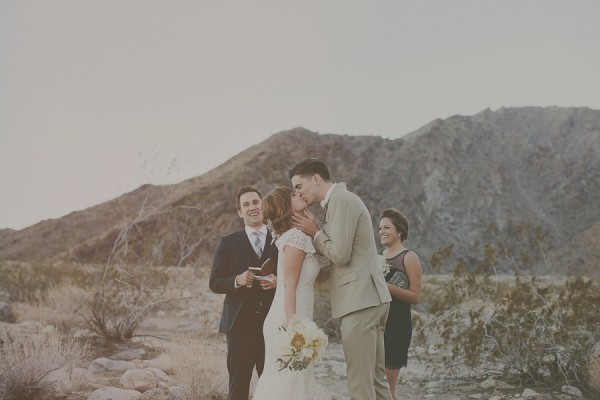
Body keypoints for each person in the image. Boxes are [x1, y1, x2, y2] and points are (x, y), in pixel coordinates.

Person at [290, 158, 392, 400]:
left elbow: (340, 254)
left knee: (360, 383)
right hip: (369, 298)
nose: (298, 193)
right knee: (376, 382)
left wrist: (315, 231)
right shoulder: (341, 201)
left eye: (299, 186)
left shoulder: (341, 200)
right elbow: (343, 257)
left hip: (359, 301)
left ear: (316, 179)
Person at [252, 186, 330, 400]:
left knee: (290, 384)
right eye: (294, 195)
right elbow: (290, 287)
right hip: (288, 321)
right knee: (286, 386)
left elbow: (307, 278)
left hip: (294, 316)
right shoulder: (295, 238)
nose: (300, 194)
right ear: (286, 207)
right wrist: (294, 329)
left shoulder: (296, 235)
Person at [209, 185, 278, 400]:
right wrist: (237, 280)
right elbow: (214, 282)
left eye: (255, 202)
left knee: (273, 387)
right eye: (246, 205)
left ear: (263, 205)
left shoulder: (280, 238)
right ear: (240, 212)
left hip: (273, 324)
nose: (252, 208)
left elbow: (294, 274)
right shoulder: (227, 242)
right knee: (238, 387)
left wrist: (279, 282)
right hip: (238, 326)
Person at [378, 208, 422, 400]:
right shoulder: (380, 256)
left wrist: (385, 286)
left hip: (397, 325)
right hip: (378, 323)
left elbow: (415, 296)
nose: (381, 231)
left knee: (389, 387)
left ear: (400, 231)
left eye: (387, 227)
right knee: (376, 382)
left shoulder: (409, 257)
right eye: (380, 228)